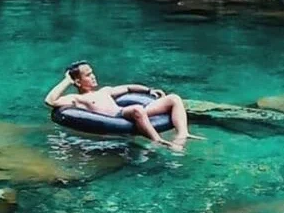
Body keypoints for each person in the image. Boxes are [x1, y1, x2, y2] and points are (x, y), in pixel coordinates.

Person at [44, 61, 203, 150]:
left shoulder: (105, 91)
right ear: (78, 81)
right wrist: (67, 80)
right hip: (115, 118)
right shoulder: (77, 99)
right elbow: (50, 101)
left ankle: (183, 134)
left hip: (123, 112)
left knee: (174, 98)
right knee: (137, 109)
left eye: (93, 72)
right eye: (88, 75)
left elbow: (128, 88)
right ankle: (158, 140)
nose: (93, 77)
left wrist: (149, 90)